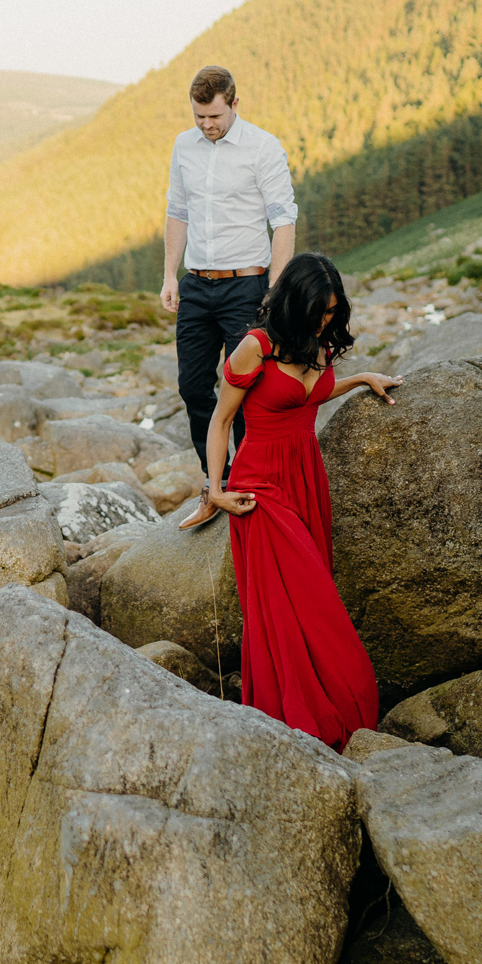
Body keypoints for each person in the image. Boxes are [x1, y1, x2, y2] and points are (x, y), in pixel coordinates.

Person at [204, 252, 399, 751]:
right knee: (307, 610)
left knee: (305, 603)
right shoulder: (256, 347)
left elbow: (310, 397)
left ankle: (328, 717)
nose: (327, 319)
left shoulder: (319, 343)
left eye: (333, 311)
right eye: (320, 309)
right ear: (295, 301)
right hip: (260, 490)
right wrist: (216, 490)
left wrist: (360, 379)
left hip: (307, 480)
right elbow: (221, 420)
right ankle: (309, 722)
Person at [159, 64, 297, 531]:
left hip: (247, 286)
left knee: (245, 393)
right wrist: (169, 276)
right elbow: (177, 211)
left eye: (214, 116)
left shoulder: (263, 147)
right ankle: (213, 482)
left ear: (234, 104)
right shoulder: (184, 145)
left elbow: (283, 220)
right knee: (193, 386)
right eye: (199, 117)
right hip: (197, 283)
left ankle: (248, 483)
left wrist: (275, 292)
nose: (206, 125)